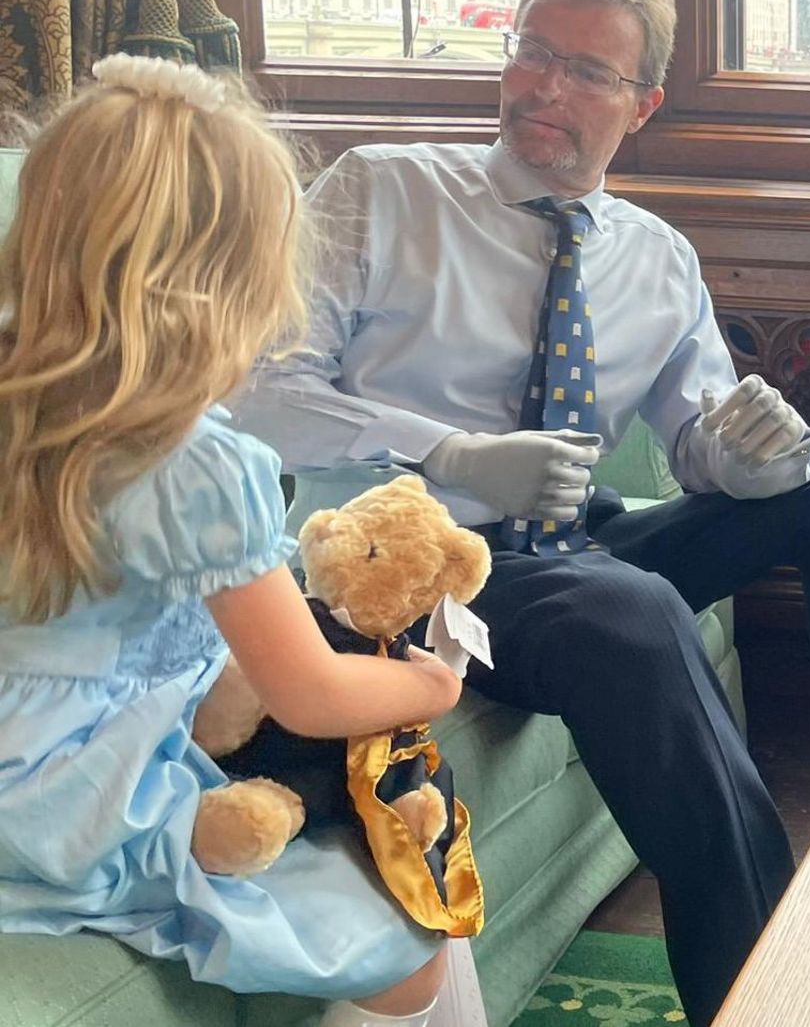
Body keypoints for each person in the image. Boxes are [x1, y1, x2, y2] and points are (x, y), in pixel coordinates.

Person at [229, 0, 810, 1019]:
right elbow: (262, 393)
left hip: (576, 537)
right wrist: (448, 454)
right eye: (531, 52)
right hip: (420, 568)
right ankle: (763, 989)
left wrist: (752, 457)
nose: (542, 86)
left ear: (641, 104)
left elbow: (698, 443)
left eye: (584, 70)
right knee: (626, 604)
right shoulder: (381, 188)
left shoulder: (655, 255)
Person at [0, 56, 468, 1027]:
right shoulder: (191, 460)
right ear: (230, 286)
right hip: (70, 785)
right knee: (405, 941)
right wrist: (433, 685)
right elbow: (309, 690)